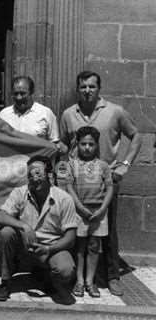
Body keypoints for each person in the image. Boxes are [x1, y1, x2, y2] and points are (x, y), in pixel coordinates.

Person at [59, 70, 142, 296]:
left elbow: (136, 135)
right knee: (78, 232)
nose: (87, 91)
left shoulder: (115, 112)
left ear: (99, 89)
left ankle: (112, 276)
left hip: (106, 180)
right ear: (78, 89)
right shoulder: (68, 114)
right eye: (83, 86)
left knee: (108, 230)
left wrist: (125, 163)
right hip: (76, 183)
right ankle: (79, 278)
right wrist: (61, 160)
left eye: (92, 86)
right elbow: (65, 145)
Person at [0, 156, 79, 304]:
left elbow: (70, 238)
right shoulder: (20, 192)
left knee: (65, 270)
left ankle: (48, 279)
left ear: (50, 175)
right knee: (6, 232)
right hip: (25, 245)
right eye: (30, 175)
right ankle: (5, 282)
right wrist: (23, 226)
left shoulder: (64, 199)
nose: (33, 178)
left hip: (51, 248)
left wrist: (48, 249)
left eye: (38, 174)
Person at [66, 126, 113, 298]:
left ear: (97, 145)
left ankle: (90, 281)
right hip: (80, 212)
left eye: (91, 144)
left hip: (98, 213)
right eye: (83, 144)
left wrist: (102, 209)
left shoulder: (103, 166)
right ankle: (78, 281)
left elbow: (109, 188)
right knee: (80, 247)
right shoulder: (72, 165)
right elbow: (69, 187)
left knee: (94, 246)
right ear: (77, 144)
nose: (87, 147)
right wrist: (80, 208)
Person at [0, 76, 66, 153]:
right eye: (16, 93)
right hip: (10, 162)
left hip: (37, 163)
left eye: (22, 93)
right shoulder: (3, 115)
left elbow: (54, 143)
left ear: (31, 92)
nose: (19, 97)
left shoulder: (46, 113)